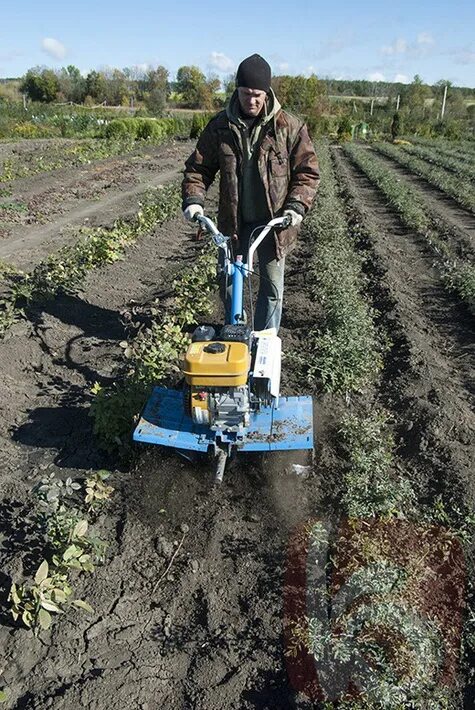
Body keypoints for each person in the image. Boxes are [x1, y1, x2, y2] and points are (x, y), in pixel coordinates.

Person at [181, 53, 319, 331]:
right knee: (230, 283)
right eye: (246, 94)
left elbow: (308, 172)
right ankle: (236, 332)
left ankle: (265, 340)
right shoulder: (220, 126)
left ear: (266, 93)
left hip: (273, 223)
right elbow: (198, 168)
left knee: (271, 287)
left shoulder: (289, 127)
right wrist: (194, 200)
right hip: (233, 222)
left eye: (257, 95)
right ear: (238, 90)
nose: (252, 101)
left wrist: (296, 206)